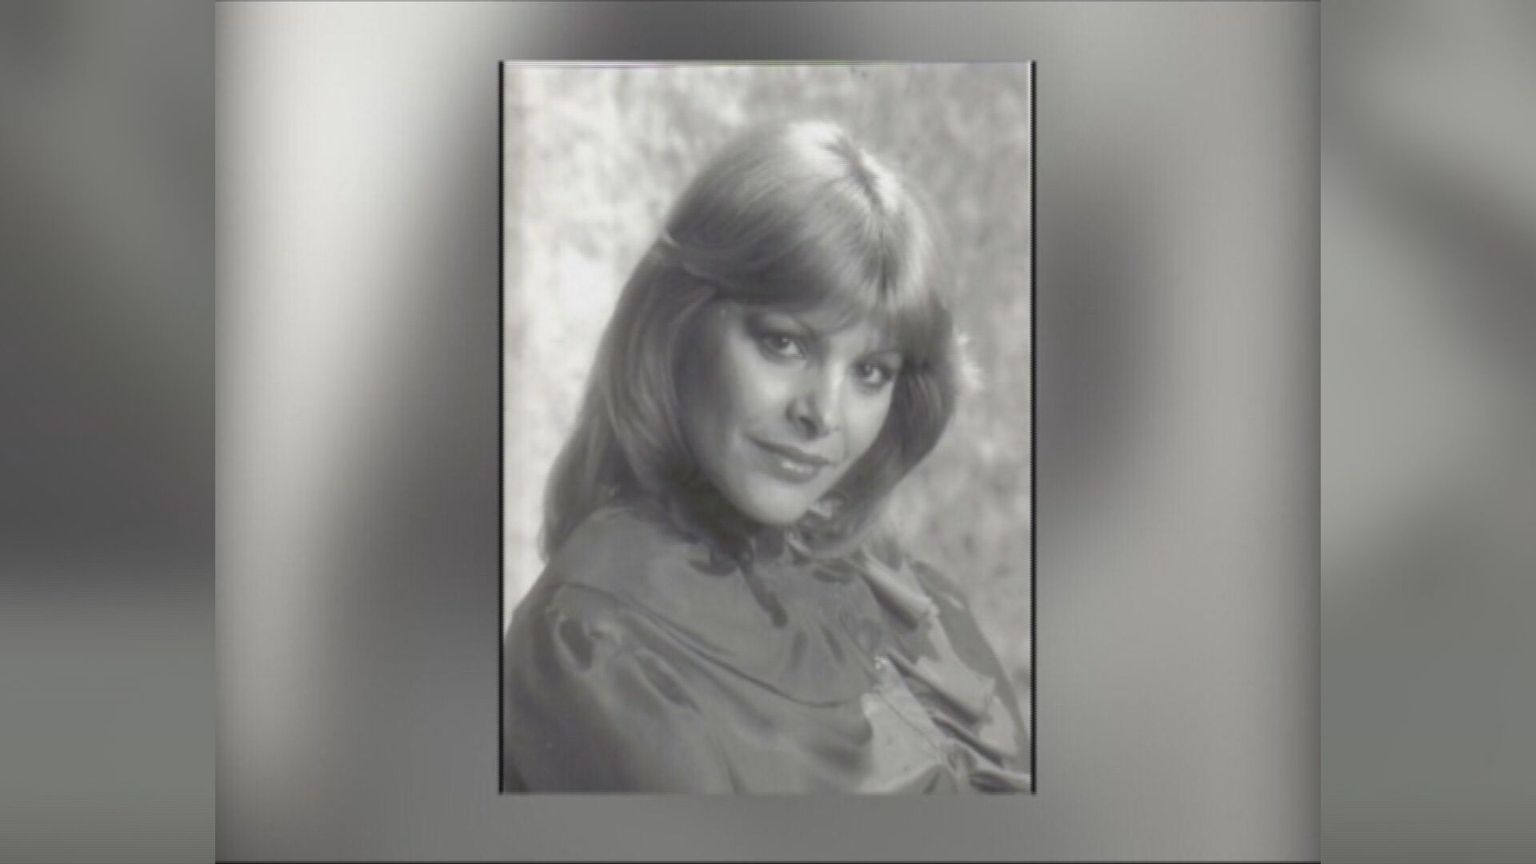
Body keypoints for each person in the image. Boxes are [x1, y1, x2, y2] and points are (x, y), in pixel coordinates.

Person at [502, 119, 1030, 793]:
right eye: (785, 343)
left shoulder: (892, 582)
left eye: (870, 371)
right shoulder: (594, 636)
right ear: (676, 326)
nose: (823, 414)